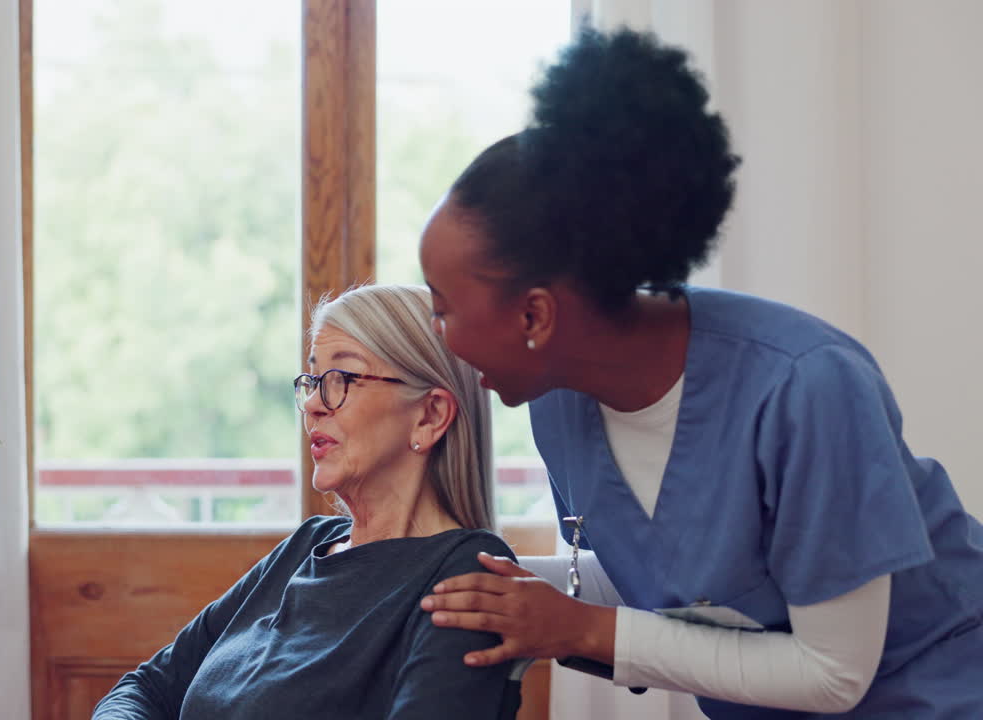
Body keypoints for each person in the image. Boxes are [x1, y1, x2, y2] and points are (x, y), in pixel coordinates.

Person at [416, 26, 983, 719]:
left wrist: (580, 629)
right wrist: (446, 580)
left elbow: (835, 672)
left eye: (443, 308)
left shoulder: (806, 389)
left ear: (535, 317)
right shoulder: (557, 403)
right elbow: (666, 579)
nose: (437, 334)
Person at [92, 284, 520, 720]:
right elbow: (146, 688)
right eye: (314, 380)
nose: (313, 404)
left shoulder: (468, 571)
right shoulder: (308, 544)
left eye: (343, 379)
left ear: (430, 416)